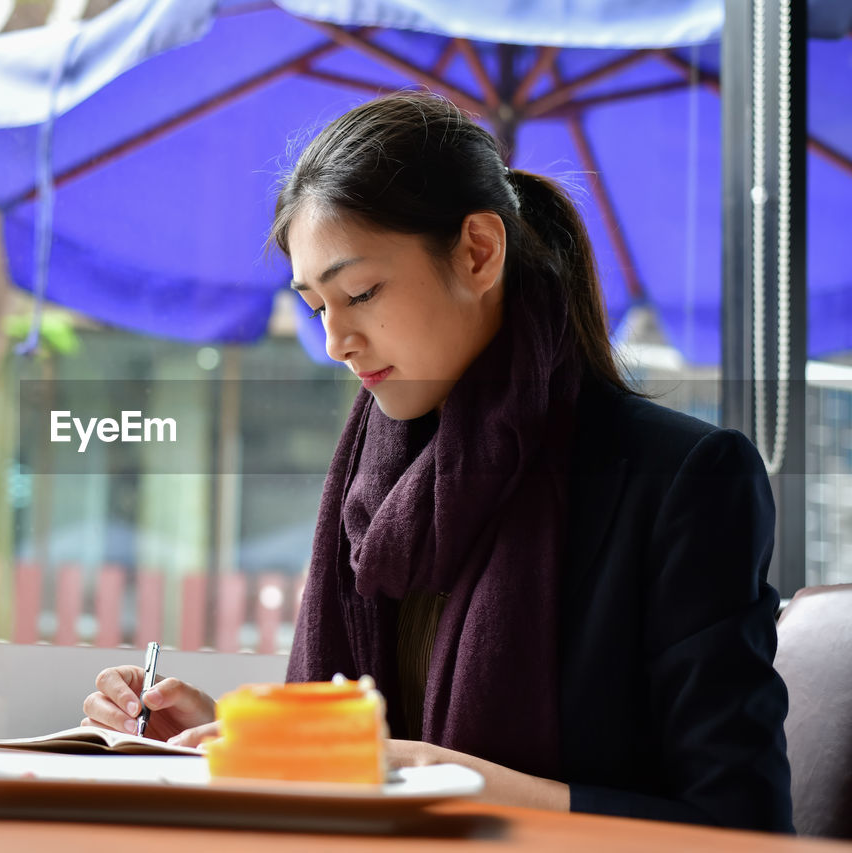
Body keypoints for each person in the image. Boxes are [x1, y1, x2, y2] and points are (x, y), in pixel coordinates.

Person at [81, 90, 792, 832]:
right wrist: (230, 738)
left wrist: (441, 776)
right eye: (316, 306)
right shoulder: (373, 486)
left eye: (360, 292)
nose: (336, 341)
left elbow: (743, 824)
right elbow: (383, 755)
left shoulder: (686, 480)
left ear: (479, 251)